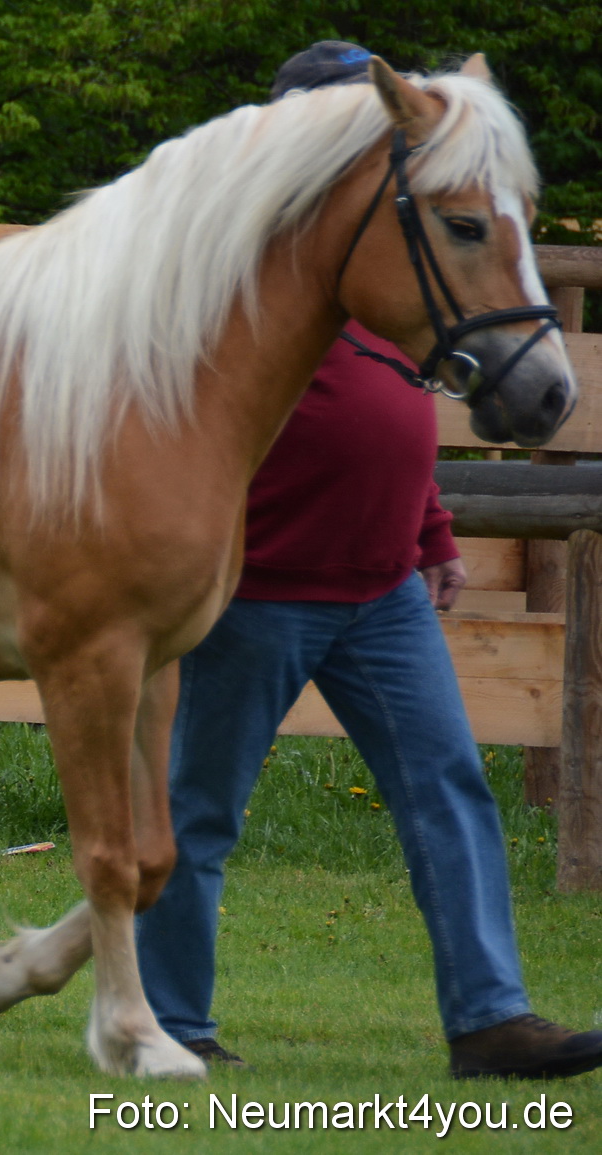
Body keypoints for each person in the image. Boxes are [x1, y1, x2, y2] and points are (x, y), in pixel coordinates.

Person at [133, 42, 602, 1080]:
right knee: (197, 810)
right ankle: (168, 1020)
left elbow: (400, 408)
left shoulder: (379, 254)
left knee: (448, 790)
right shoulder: (240, 275)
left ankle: (490, 1019)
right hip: (258, 590)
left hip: (384, 589)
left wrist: (430, 535)